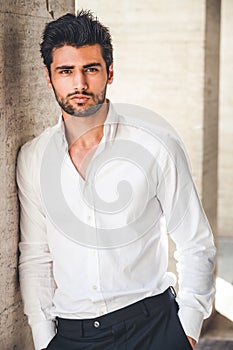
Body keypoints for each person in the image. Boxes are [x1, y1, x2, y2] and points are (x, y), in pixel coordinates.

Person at [17, 10, 216, 350]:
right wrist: (43, 340)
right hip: (70, 334)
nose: (79, 84)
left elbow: (195, 242)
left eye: (90, 69)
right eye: (66, 71)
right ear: (49, 78)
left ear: (110, 72)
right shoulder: (34, 157)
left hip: (154, 327)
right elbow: (36, 256)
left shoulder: (156, 144)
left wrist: (187, 332)